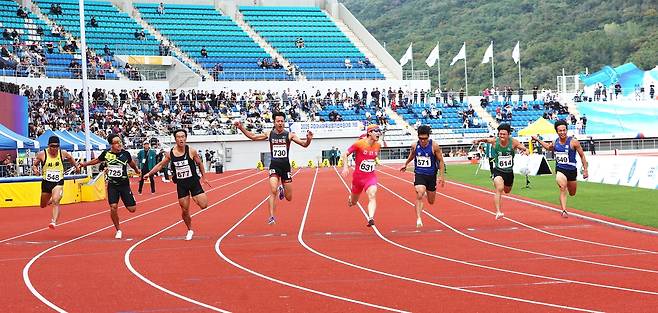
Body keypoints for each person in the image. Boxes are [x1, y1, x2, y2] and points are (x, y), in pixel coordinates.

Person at [234, 112, 313, 224]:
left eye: (282, 121)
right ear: (274, 122)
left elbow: (304, 144)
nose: (280, 123)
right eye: (278, 121)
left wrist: (309, 139)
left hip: (285, 167)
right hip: (274, 166)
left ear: (284, 122)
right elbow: (253, 137)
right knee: (273, 189)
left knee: (289, 197)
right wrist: (241, 127)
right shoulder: (269, 134)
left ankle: (282, 189)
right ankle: (271, 216)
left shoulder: (289, 135)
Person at [144, 129, 210, 240]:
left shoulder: (191, 151)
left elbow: (199, 163)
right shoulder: (170, 153)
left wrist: (204, 178)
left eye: (183, 136)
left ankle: (195, 196)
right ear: (175, 139)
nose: (181, 139)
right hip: (181, 184)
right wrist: (149, 173)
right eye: (179, 137)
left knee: (204, 205)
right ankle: (189, 229)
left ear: (186, 138)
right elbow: (160, 165)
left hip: (193, 182)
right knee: (184, 210)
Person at [79, 134, 140, 239]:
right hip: (112, 185)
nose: (119, 144)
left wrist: (136, 170)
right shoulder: (106, 154)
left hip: (124, 185)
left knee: (132, 209)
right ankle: (118, 229)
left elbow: (132, 163)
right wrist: (85, 164)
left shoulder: (125, 154)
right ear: (111, 144)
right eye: (116, 142)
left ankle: (131, 198)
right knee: (113, 207)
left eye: (120, 142)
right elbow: (96, 161)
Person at [532, 120, 589, 217]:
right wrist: (538, 140)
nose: (562, 132)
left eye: (564, 130)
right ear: (557, 131)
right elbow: (548, 147)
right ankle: (564, 210)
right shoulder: (555, 142)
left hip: (571, 170)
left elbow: (582, 155)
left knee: (572, 193)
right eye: (560, 131)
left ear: (566, 130)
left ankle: (564, 204)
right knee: (562, 187)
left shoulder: (573, 142)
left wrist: (585, 169)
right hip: (560, 169)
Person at [472, 123, 529, 220]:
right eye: (500, 134)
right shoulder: (495, 141)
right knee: (499, 188)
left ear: (508, 134)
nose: (501, 136)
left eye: (504, 134)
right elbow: (486, 140)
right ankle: (498, 211)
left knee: (507, 191)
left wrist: (526, 151)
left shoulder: (513, 142)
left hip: (509, 172)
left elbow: (524, 148)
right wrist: (478, 140)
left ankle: (501, 187)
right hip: (498, 170)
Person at [399, 125, 445, 228]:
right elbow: (412, 155)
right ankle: (419, 218)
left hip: (431, 175)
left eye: (425, 138)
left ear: (428, 137)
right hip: (419, 174)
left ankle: (425, 193)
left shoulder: (434, 146)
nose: (423, 141)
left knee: (431, 201)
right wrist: (405, 164)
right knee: (419, 193)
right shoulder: (415, 145)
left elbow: (441, 161)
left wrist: (441, 176)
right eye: (421, 138)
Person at [32, 136, 79, 229]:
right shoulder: (42, 154)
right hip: (46, 182)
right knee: (43, 205)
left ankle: (53, 222)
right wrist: (35, 170)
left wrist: (76, 167)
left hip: (58, 181)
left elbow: (70, 158)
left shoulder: (63, 153)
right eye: (52, 146)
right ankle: (50, 201)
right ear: (48, 146)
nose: (55, 148)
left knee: (56, 201)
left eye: (57, 146)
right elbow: (34, 164)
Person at [341, 124, 382, 227]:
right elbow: (345, 154)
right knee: (353, 202)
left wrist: (374, 161)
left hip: (370, 177)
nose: (378, 133)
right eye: (376, 131)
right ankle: (351, 198)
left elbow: (371, 157)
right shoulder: (359, 144)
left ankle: (371, 218)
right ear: (369, 133)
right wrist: (345, 167)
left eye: (379, 131)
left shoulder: (378, 145)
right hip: (358, 178)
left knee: (372, 195)